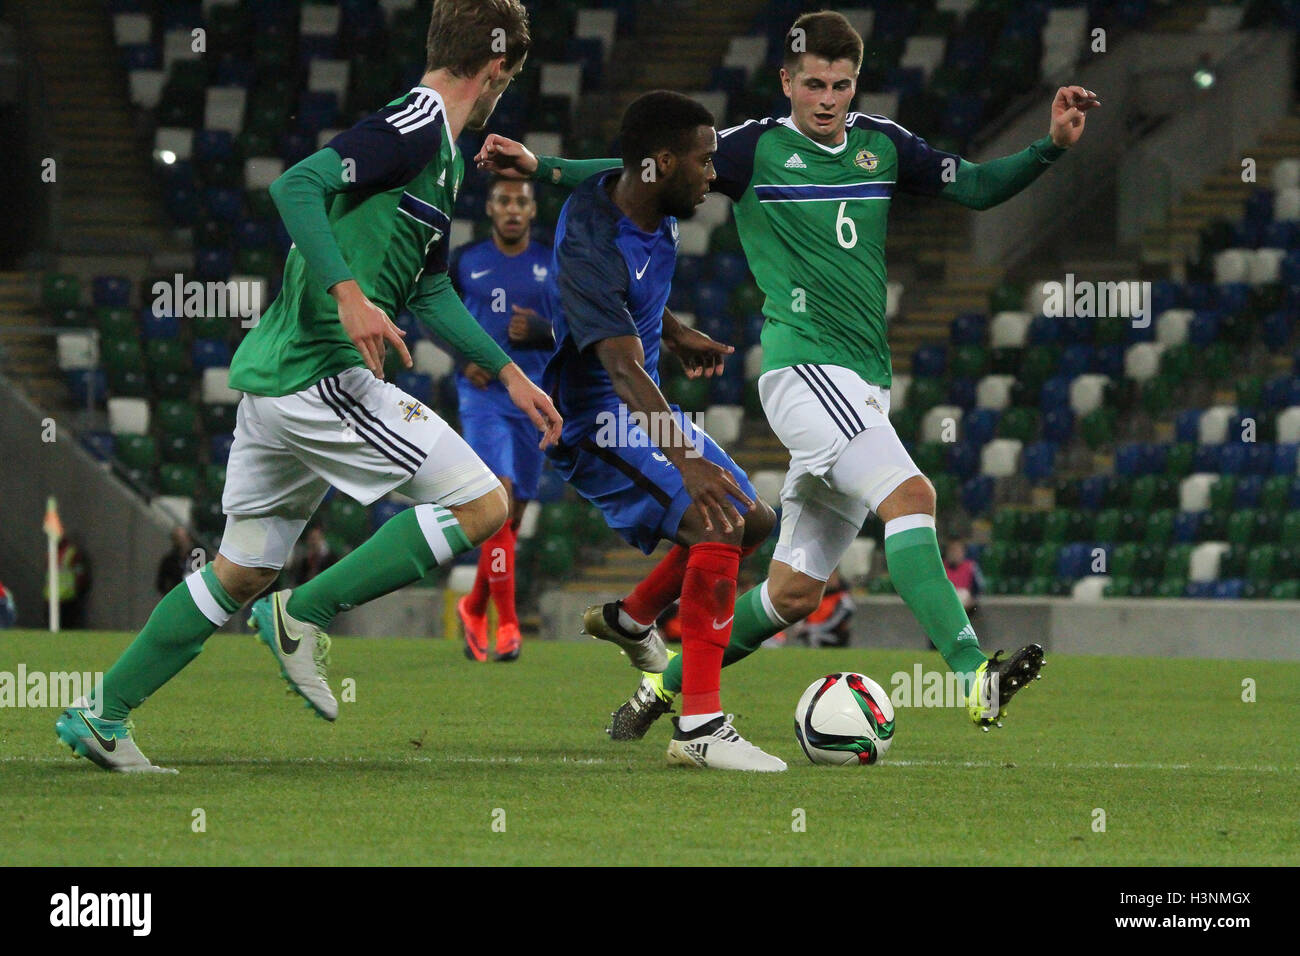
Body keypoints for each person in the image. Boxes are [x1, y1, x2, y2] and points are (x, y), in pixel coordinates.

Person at [477, 9, 1093, 736]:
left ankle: (655, 694)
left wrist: (1050, 147)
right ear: (787, 81)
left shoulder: (882, 146)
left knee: (792, 593)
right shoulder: (752, 149)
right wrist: (541, 167)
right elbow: (645, 171)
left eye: (840, 84)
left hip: (862, 383)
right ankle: (969, 672)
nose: (827, 99)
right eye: (813, 84)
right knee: (912, 494)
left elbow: (979, 186)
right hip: (804, 370)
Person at [55, 0, 560, 774]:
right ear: (496, 69)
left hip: (280, 379)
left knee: (243, 569)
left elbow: (428, 292)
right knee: (484, 504)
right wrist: (349, 293)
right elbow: (297, 187)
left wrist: (510, 372)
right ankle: (306, 612)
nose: (507, 91)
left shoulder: (448, 157)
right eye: (510, 78)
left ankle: (103, 713)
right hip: (322, 374)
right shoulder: (418, 123)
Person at [535, 90, 783, 771]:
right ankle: (700, 725)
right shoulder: (591, 239)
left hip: (638, 407)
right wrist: (686, 459)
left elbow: (632, 294)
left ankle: (634, 617)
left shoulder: (649, 206)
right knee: (718, 523)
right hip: (596, 425)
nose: (713, 175)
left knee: (754, 520)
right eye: (704, 163)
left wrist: (673, 331)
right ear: (663, 163)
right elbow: (618, 366)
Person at [450, 175, 553, 662]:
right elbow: (436, 311)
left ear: (532, 211)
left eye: (522, 202)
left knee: (514, 517)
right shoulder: (466, 261)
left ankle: (473, 606)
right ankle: (507, 626)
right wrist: (460, 355)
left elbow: (575, 330)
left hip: (535, 400)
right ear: (490, 209)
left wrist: (542, 332)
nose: (513, 209)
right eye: (504, 201)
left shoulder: (553, 263)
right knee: (500, 498)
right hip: (483, 396)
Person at [787, 568, 854, 648]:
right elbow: (803, 613)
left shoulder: (843, 599)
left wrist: (810, 628)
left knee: (814, 637)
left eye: (831, 576)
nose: (828, 579)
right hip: (813, 632)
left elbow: (833, 622)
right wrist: (800, 626)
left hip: (835, 637)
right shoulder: (814, 596)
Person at [44, 534, 90, 629]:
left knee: (66, 627)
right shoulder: (51, 553)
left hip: (66, 598)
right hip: (52, 597)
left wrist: (79, 588)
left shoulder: (72, 554)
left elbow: (79, 573)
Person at [944, 539, 984, 617]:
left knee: (963, 594)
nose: (954, 554)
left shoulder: (971, 567)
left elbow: (979, 589)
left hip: (967, 608)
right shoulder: (940, 568)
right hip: (945, 603)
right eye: (952, 550)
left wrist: (972, 600)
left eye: (957, 551)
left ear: (963, 552)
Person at [155, 526, 197, 595]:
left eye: (184, 539)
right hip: (178, 594)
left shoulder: (197, 557)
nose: (183, 543)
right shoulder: (169, 561)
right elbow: (161, 583)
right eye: (179, 539)